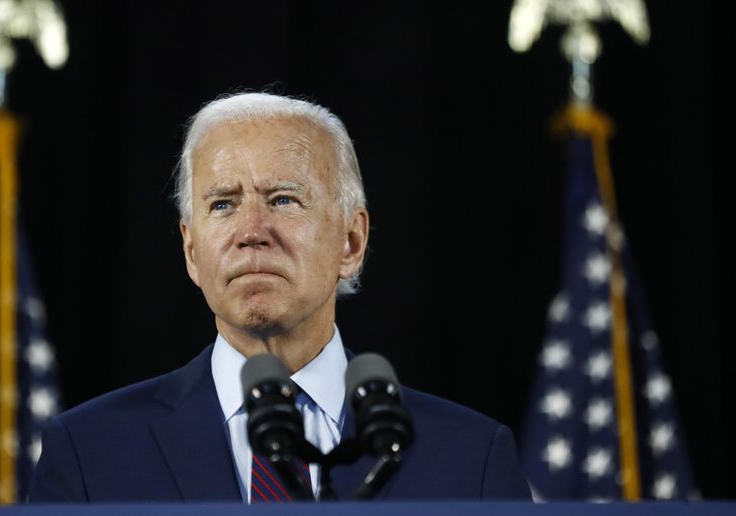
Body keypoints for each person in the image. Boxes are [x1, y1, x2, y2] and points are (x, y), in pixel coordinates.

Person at [29, 92, 531, 502]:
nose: (251, 232)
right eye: (222, 204)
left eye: (283, 200)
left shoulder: (471, 458)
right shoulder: (89, 453)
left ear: (351, 243)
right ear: (191, 251)